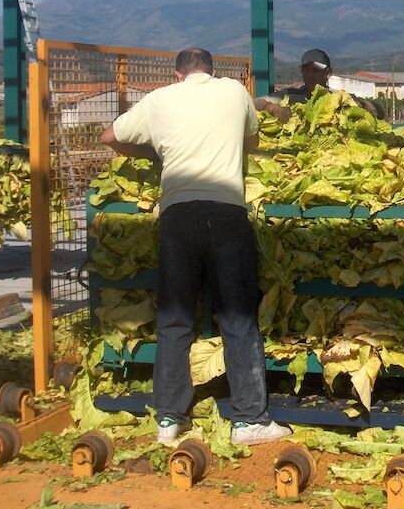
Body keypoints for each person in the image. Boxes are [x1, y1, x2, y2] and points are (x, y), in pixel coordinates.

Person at [100, 47, 290, 447]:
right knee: (237, 317)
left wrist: (154, 152)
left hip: (176, 217)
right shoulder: (235, 91)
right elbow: (251, 142)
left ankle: (169, 418)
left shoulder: (159, 99)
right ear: (213, 71)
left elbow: (109, 136)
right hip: (225, 214)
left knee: (174, 318)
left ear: (177, 74)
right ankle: (249, 420)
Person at [255, 48, 381, 120]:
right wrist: (272, 108)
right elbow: (258, 102)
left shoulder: (338, 97)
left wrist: (360, 106)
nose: (310, 75)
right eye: (306, 70)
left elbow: (375, 109)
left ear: (328, 73)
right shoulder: (291, 95)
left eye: (316, 70)